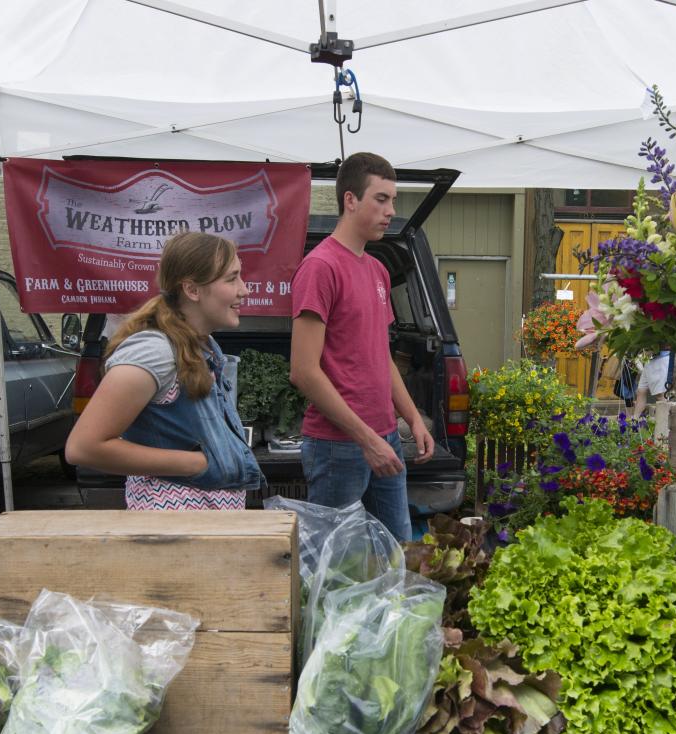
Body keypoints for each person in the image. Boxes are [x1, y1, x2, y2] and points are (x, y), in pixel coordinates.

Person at [289, 152, 433, 542]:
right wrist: (365, 439)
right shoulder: (320, 267)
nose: (391, 211)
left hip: (384, 437)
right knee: (334, 568)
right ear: (350, 200)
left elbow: (380, 357)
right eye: (381, 199)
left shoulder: (377, 270)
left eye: (394, 201)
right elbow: (303, 370)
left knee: (397, 552)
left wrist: (413, 418)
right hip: (339, 445)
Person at [65, 232, 264, 509]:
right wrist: (200, 463)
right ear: (192, 290)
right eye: (232, 278)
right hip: (169, 534)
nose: (245, 290)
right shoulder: (155, 352)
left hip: (203, 534)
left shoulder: (202, 346)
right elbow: (83, 447)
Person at [632, 348, 672, 419]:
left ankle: (664, 423)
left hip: (660, 359)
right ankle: (635, 420)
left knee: (660, 395)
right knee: (641, 391)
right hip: (648, 360)